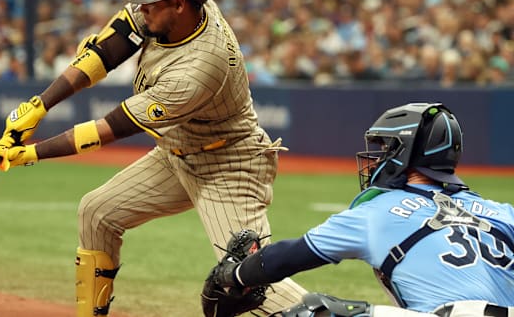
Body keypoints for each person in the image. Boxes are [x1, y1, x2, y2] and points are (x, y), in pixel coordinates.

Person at [0, 0, 307, 316]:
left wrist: (31, 153)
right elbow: (107, 49)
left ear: (179, 5)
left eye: (150, 4)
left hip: (228, 167)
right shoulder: (177, 9)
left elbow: (109, 128)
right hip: (178, 153)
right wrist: (38, 106)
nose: (141, 10)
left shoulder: (199, 67)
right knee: (96, 212)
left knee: (246, 284)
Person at [203, 102, 514, 317]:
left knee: (313, 313)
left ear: (403, 153)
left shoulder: (377, 213)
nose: (378, 159)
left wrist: (235, 274)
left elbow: (291, 256)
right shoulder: (501, 212)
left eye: (386, 148)